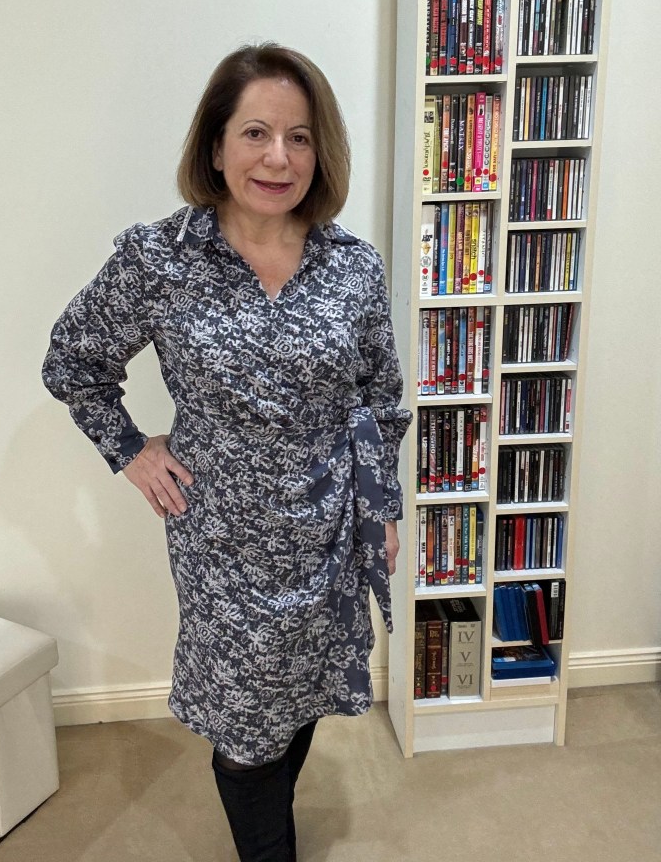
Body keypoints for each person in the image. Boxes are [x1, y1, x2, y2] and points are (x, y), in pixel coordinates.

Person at [42, 42, 412, 861]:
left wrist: (381, 508)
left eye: (300, 137)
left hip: (329, 531)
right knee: (245, 731)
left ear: (320, 152)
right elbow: (73, 361)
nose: (279, 157)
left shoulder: (352, 268)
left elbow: (379, 400)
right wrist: (130, 450)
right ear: (215, 147)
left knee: (303, 692)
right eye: (255, 133)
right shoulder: (160, 260)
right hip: (222, 541)